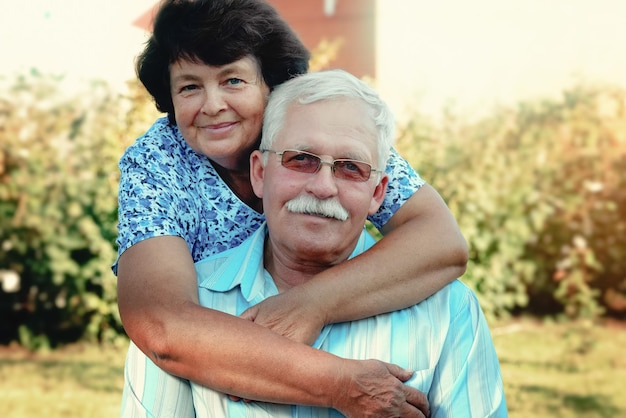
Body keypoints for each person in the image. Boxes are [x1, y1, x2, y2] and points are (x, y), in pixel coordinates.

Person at [116, 0, 468, 416]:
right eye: (189, 87)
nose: (211, 105)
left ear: (271, 85)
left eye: (232, 80)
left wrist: (310, 303)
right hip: (217, 378)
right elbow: (160, 322)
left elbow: (442, 242)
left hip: (339, 324)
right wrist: (340, 384)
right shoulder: (158, 161)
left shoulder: (318, 126)